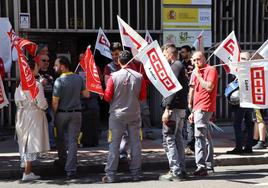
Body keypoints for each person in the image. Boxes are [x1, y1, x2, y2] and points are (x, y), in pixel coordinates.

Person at [102, 50, 147, 183]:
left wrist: (103, 94)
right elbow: (143, 97)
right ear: (130, 61)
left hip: (116, 116)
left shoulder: (113, 76)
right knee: (136, 144)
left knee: (114, 144)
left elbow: (107, 97)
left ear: (120, 62)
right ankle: (136, 174)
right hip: (134, 114)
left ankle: (110, 175)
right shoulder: (139, 77)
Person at [52, 56, 89, 179]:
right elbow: (86, 94)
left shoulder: (59, 81)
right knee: (73, 141)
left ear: (63, 66)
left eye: (56, 65)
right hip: (76, 114)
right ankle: (71, 169)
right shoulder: (79, 78)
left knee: (60, 139)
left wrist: (54, 113)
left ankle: (63, 161)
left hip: (62, 113)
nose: (54, 67)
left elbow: (55, 102)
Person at [15, 59, 50, 181]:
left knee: (23, 142)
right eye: (35, 67)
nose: (38, 69)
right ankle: (27, 172)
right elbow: (41, 103)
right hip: (33, 114)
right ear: (30, 70)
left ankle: (25, 167)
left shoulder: (19, 84)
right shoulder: (35, 84)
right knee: (30, 143)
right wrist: (46, 106)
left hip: (21, 114)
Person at [158, 44, 188, 181]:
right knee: (178, 139)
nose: (163, 58)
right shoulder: (179, 65)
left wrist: (167, 109)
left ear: (170, 54)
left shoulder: (175, 66)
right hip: (180, 108)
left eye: (164, 55)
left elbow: (172, 89)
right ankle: (181, 169)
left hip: (174, 109)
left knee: (169, 139)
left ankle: (175, 171)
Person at [188, 51, 218, 176]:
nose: (196, 62)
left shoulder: (210, 70)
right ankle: (208, 164)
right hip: (197, 107)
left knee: (199, 136)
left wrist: (198, 75)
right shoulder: (196, 71)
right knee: (205, 136)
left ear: (204, 58)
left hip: (205, 107)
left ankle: (201, 167)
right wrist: (191, 108)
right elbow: (193, 89)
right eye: (193, 60)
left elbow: (209, 87)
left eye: (198, 59)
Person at [226, 52, 254, 154]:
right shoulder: (249, 69)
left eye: (242, 58)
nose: (240, 60)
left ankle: (239, 147)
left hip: (241, 101)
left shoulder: (245, 70)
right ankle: (248, 147)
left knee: (238, 124)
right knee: (248, 124)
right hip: (247, 100)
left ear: (247, 60)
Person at [38, 53, 56, 148]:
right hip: (39, 103)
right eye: (43, 60)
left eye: (48, 61)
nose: (46, 63)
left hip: (49, 102)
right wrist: (39, 83)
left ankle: (51, 143)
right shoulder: (36, 73)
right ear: (39, 61)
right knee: (39, 123)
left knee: (50, 123)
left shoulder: (52, 73)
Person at [180, 45, 195, 155]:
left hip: (192, 94)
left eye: (184, 52)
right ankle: (188, 143)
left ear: (189, 52)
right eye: (181, 52)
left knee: (191, 121)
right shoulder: (181, 64)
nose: (182, 54)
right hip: (183, 93)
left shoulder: (194, 64)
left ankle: (191, 145)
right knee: (184, 120)